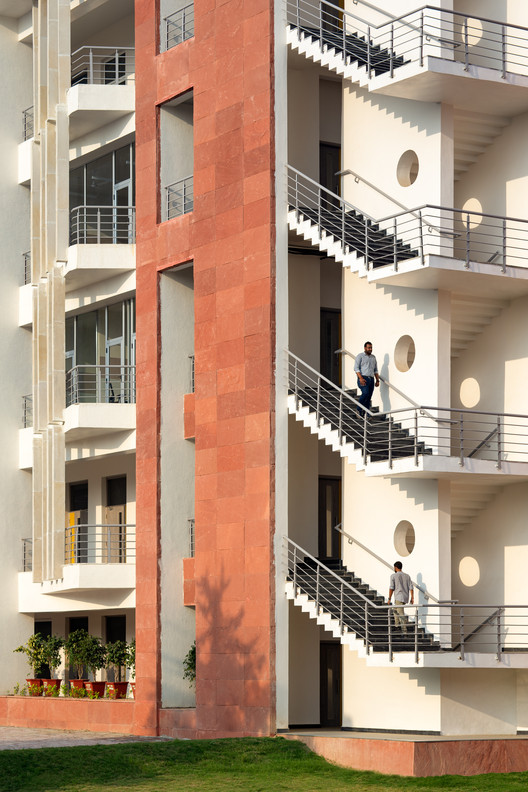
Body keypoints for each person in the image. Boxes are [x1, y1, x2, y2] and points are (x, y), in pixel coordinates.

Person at [354, 341, 379, 415]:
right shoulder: (360, 356)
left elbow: (375, 370)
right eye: (369, 348)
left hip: (371, 379)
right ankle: (358, 409)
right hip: (363, 378)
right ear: (365, 348)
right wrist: (360, 378)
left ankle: (367, 413)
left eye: (371, 348)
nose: (370, 349)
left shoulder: (373, 357)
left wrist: (377, 380)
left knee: (369, 397)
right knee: (365, 393)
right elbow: (356, 368)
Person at [388, 561, 414, 633]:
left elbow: (391, 588)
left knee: (401, 613)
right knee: (395, 610)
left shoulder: (393, 576)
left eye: (394, 567)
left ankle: (404, 631)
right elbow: (411, 587)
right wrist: (412, 598)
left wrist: (389, 598)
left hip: (399, 597)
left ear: (395, 567)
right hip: (404, 597)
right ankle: (397, 626)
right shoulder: (407, 576)